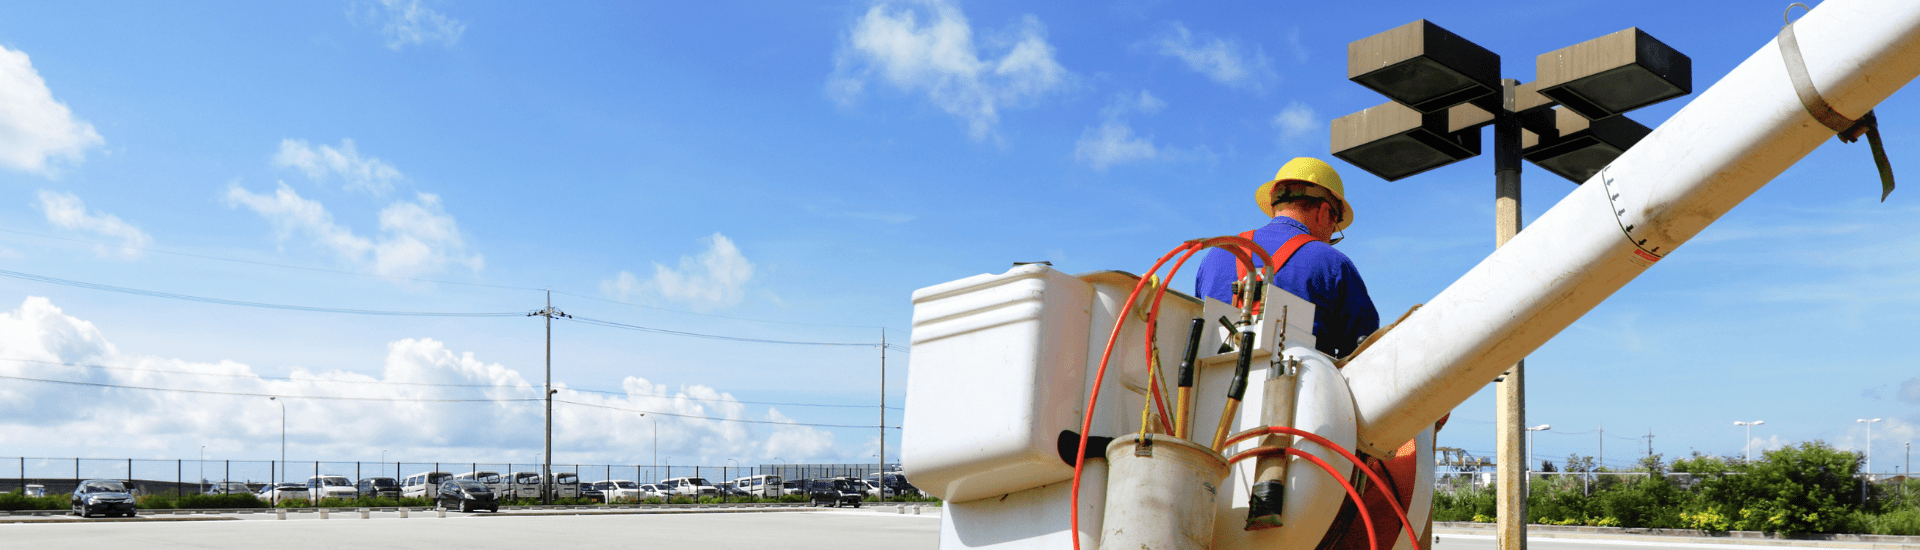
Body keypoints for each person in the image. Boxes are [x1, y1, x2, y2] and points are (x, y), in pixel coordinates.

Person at [1193, 157, 1379, 358]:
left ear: (1273, 205)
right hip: (1295, 388)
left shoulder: (1216, 254)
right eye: (1335, 227)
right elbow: (1365, 357)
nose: (1330, 235)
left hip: (1210, 386)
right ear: (1325, 212)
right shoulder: (1333, 264)